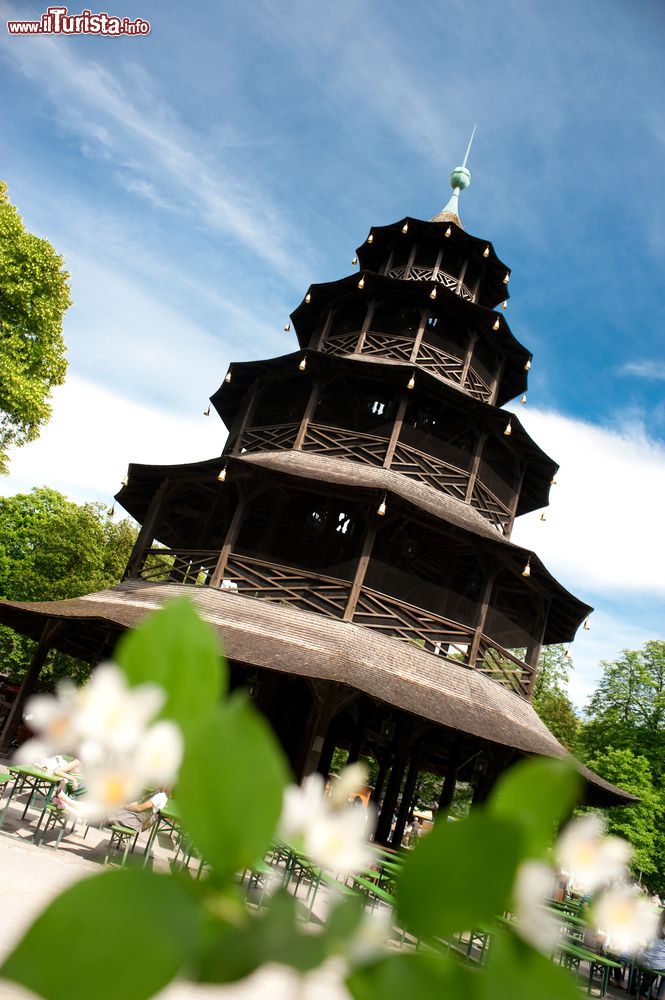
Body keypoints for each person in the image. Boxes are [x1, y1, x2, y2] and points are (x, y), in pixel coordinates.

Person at [635, 910, 665, 1000]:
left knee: (653, 967)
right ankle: (660, 998)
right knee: (657, 964)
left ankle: (643, 994)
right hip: (654, 961)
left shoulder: (654, 927)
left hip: (642, 958)